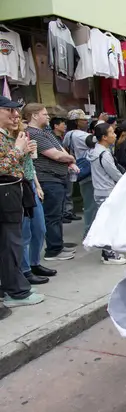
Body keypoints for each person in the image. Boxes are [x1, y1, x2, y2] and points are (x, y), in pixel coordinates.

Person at [0, 96, 45, 310]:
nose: (16, 116)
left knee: (11, 242)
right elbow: (3, 167)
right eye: (10, 111)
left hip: (13, 191)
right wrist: (18, 149)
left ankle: (12, 285)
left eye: (16, 112)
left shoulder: (7, 135)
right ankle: (16, 291)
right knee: (11, 243)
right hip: (5, 193)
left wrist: (23, 150)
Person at [24, 104, 78, 261]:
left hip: (57, 178)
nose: (48, 117)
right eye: (44, 114)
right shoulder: (33, 133)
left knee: (57, 214)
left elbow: (60, 149)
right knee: (52, 215)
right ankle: (53, 250)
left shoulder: (45, 132)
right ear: (34, 115)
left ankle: (57, 245)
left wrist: (68, 159)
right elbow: (57, 155)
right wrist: (71, 159)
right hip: (48, 179)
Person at [12, 116, 56, 285]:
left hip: (29, 182)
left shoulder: (24, 138)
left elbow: (31, 165)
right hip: (18, 184)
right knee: (24, 231)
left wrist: (37, 185)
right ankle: (25, 269)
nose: (17, 121)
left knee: (39, 228)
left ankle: (34, 262)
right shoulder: (10, 142)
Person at [86, 123, 126, 264]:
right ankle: (109, 254)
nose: (115, 135)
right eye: (111, 133)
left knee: (107, 221)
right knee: (110, 223)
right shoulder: (104, 154)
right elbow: (114, 174)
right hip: (107, 191)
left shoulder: (95, 151)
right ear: (104, 137)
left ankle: (108, 252)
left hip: (100, 190)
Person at [63, 109, 91, 226]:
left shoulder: (68, 135)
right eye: (83, 120)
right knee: (88, 193)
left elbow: (64, 147)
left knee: (71, 190)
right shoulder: (83, 135)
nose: (86, 122)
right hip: (86, 165)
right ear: (76, 122)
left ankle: (68, 210)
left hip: (74, 164)